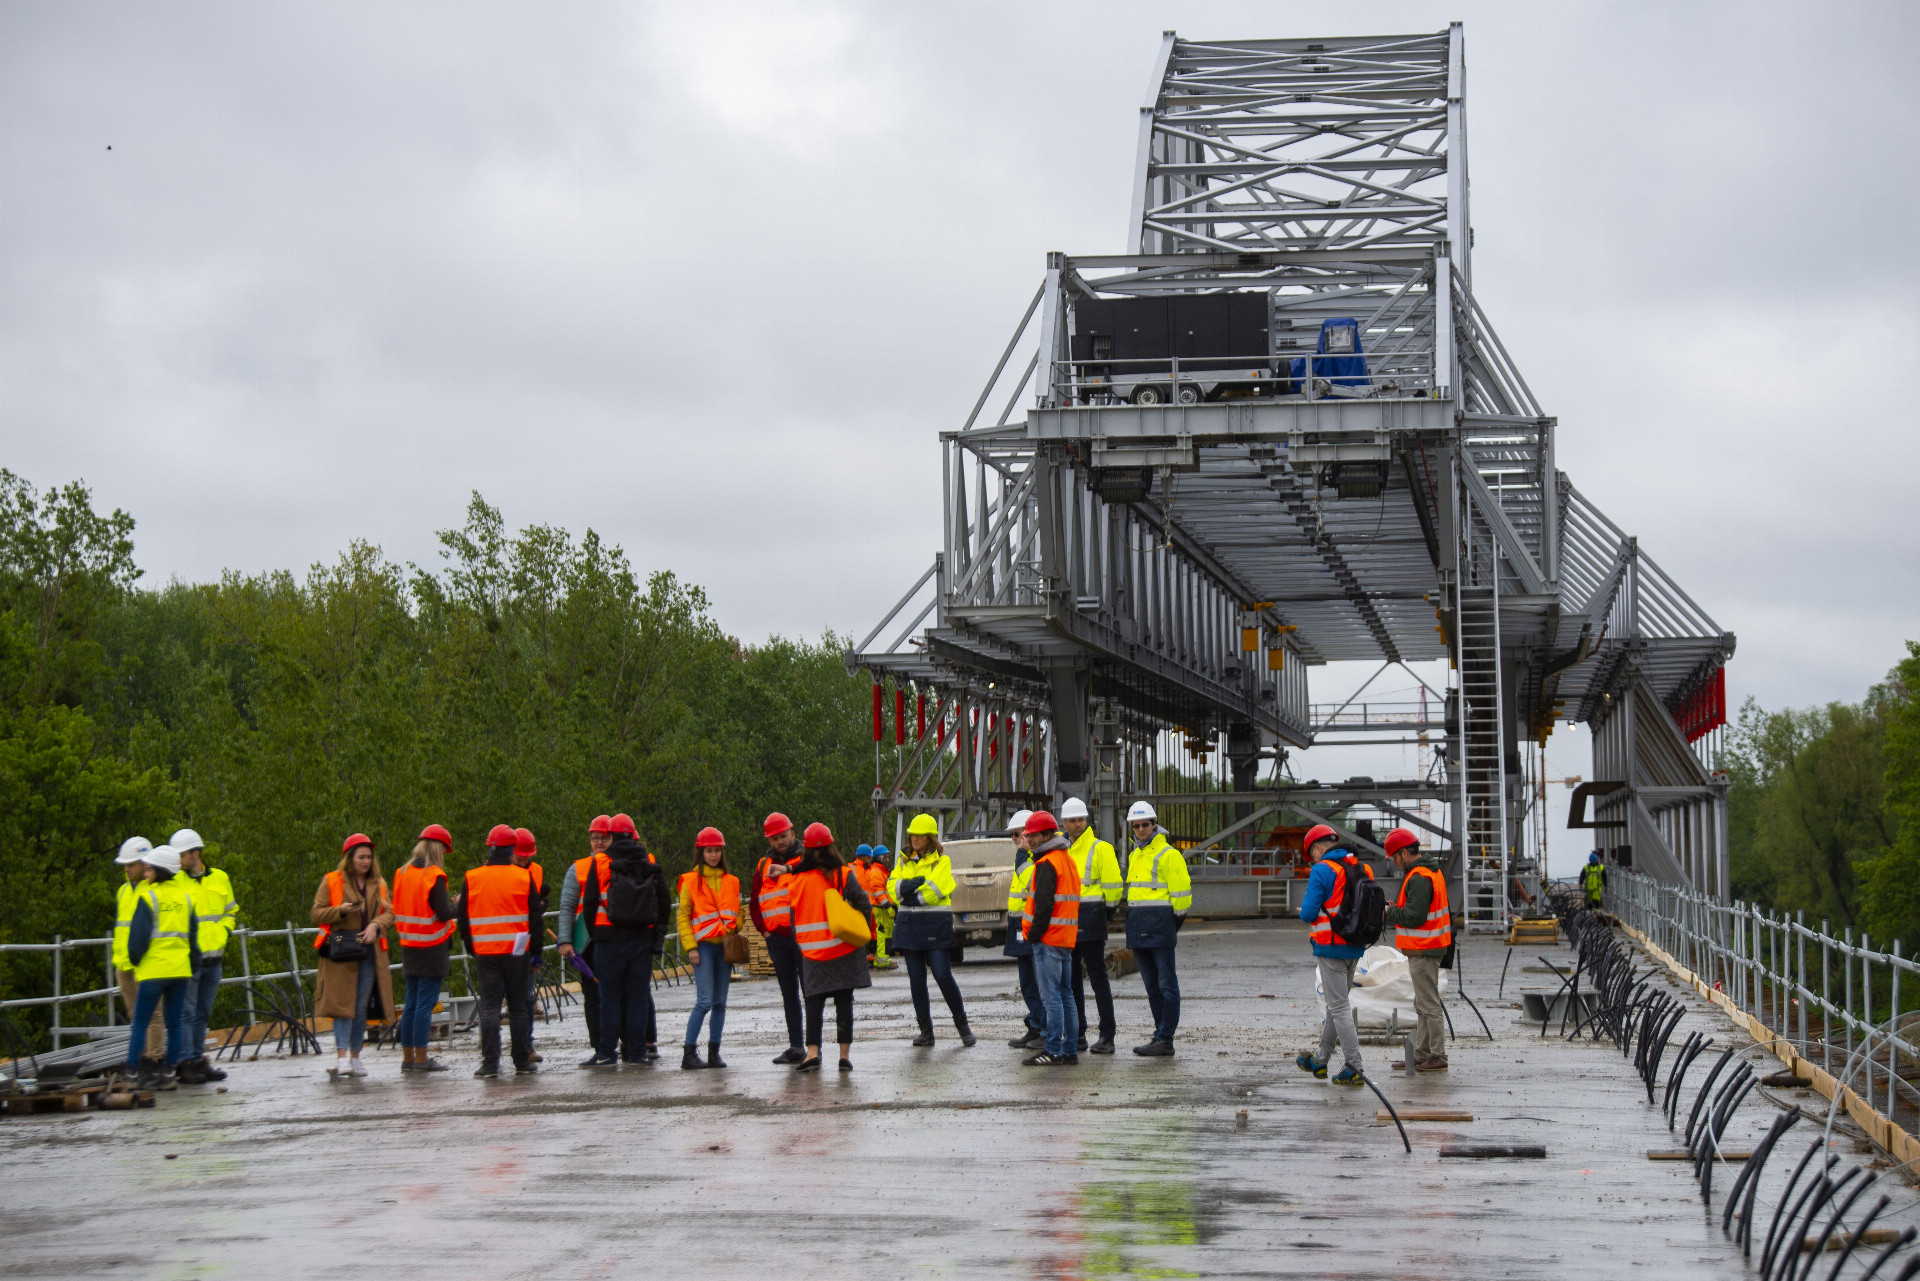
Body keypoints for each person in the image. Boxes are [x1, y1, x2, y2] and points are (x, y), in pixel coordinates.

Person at [785, 822, 874, 1072]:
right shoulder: (843, 874)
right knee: (844, 1002)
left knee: (813, 1001)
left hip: (813, 952)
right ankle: (844, 1057)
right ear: (831, 847)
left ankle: (812, 1053)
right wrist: (860, 933)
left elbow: (793, 918)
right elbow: (864, 905)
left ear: (806, 851)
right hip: (845, 947)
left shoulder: (797, 880)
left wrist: (802, 943)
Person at [458, 827, 545, 1077]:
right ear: (512, 849)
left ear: (490, 848)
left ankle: (490, 1064)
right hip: (517, 953)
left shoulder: (472, 877)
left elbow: (463, 919)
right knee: (518, 1007)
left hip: (485, 953)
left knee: (489, 1007)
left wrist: (473, 947)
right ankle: (522, 1062)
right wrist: (535, 953)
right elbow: (535, 919)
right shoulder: (522, 876)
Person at [579, 825, 667, 1068]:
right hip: (641, 938)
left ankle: (607, 1052)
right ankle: (637, 1052)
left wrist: (595, 934)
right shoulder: (649, 860)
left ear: (611, 836)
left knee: (609, 998)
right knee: (638, 997)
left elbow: (589, 902)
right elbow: (664, 899)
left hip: (608, 940)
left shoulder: (600, 862)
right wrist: (658, 934)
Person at [313, 834, 396, 1079]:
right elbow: (316, 913)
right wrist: (340, 911)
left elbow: (390, 913)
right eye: (361, 857)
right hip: (340, 952)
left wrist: (375, 925)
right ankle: (341, 1059)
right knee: (342, 1006)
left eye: (369, 857)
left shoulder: (378, 882)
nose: (366, 861)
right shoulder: (331, 880)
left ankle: (356, 1057)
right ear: (349, 858)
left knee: (360, 1007)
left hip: (369, 951)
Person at [889, 813, 975, 1048]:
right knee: (916, 980)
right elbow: (891, 888)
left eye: (920, 835)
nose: (915, 838)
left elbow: (934, 892)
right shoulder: (903, 859)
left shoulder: (942, 862)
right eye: (912, 834)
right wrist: (911, 886)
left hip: (935, 926)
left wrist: (907, 892)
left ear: (930, 837)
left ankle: (963, 1026)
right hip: (909, 927)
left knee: (942, 974)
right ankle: (926, 1032)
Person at [1295, 823, 1369, 1087]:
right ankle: (1321, 1059)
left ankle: (1354, 1066)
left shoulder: (1322, 870)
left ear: (1317, 848)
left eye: (1311, 854)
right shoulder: (1362, 868)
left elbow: (1308, 913)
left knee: (1339, 1008)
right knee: (1336, 1006)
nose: (1313, 859)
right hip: (1356, 946)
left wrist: (1303, 909)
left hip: (1330, 947)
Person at [122, 844, 199, 1090]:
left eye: (149, 868)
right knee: (174, 1023)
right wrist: (191, 967)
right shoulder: (185, 899)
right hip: (180, 971)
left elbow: (137, 939)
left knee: (141, 1022)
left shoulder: (148, 897)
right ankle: (168, 1074)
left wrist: (135, 961)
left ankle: (132, 1072)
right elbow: (194, 940)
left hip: (154, 972)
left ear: (159, 870)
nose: (146, 871)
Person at [1122, 801, 1191, 1057]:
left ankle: (1165, 1038)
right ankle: (1160, 1035)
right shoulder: (1134, 855)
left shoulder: (1169, 854)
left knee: (1166, 985)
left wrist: (1171, 926)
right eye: (1136, 825)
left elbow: (1182, 897)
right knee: (1152, 987)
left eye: (1145, 825)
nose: (1141, 829)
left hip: (1160, 927)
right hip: (1139, 927)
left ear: (1154, 824)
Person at [1381, 828, 1451, 1073]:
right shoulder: (1426, 872)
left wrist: (1390, 912)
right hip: (1427, 946)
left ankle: (1437, 1054)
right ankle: (1422, 1054)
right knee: (1422, 1002)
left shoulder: (1419, 876)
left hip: (1425, 947)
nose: (1395, 863)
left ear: (1403, 852)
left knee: (1428, 1004)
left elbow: (1414, 915)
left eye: (1394, 857)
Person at [393, 823, 459, 1073]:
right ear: (438, 848)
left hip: (409, 946)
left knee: (411, 1002)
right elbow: (443, 912)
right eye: (444, 849)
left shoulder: (402, 872)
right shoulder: (434, 875)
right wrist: (461, 905)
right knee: (424, 1004)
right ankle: (422, 1058)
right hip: (432, 947)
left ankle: (408, 1058)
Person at [171, 828, 234, 1084]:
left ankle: (197, 1060)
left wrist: (226, 931)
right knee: (186, 1013)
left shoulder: (220, 878)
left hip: (214, 959)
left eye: (181, 855)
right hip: (189, 961)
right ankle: (186, 1063)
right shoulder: (176, 882)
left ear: (195, 853)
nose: (178, 860)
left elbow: (231, 910)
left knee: (203, 1013)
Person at [1060, 797, 1122, 1055]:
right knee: (1071, 979)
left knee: (1097, 978)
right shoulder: (1061, 850)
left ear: (1087, 820)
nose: (1077, 824)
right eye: (1072, 820)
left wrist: (1105, 914)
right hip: (1067, 920)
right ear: (1064, 822)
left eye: (1081, 819)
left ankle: (1107, 1035)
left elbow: (1114, 887)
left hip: (1091, 918)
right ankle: (1077, 1034)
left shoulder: (1101, 849)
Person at [1019, 811, 1081, 1066]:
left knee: (1051, 998)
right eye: (1027, 835)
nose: (1028, 839)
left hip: (1048, 939)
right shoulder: (1067, 859)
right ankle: (1069, 1051)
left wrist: (1033, 935)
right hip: (1065, 939)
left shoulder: (1047, 863)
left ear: (1047, 835)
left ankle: (1053, 1049)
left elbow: (1043, 905)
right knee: (1066, 995)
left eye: (1032, 835)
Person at [677, 826, 740, 1069]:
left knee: (720, 1003)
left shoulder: (731, 881)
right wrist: (690, 947)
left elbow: (738, 910)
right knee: (704, 1002)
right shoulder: (690, 881)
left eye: (717, 851)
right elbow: (683, 916)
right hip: (703, 948)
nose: (713, 855)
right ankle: (689, 1053)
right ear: (700, 853)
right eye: (709, 851)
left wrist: (736, 924)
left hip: (725, 948)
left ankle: (714, 1053)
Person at [751, 813, 808, 1064]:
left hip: (804, 938)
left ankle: (814, 1047)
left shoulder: (806, 859)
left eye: (783, 836)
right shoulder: (763, 865)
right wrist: (765, 932)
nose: (780, 842)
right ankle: (797, 1047)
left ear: (793, 834)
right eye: (774, 838)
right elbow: (754, 902)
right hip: (777, 939)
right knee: (789, 994)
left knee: (811, 993)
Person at [557, 814, 616, 1054]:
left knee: (614, 994)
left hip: (613, 939)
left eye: (604, 838)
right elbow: (567, 907)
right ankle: (600, 1046)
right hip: (588, 942)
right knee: (593, 995)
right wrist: (565, 940)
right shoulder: (578, 868)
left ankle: (617, 1041)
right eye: (595, 838)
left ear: (612, 837)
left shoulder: (619, 865)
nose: (599, 843)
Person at [112, 836, 165, 1073]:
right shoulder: (123, 891)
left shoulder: (153, 890)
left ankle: (154, 1060)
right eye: (125, 865)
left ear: (145, 863)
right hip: (124, 964)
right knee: (136, 1016)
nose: (126, 869)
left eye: (130, 864)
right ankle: (142, 1059)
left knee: (153, 1014)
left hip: (146, 964)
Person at [1001, 811, 1046, 1051]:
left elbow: (1032, 883)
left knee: (1039, 982)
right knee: (1027, 982)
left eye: (1021, 835)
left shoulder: (1036, 857)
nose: (1017, 840)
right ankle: (1035, 1025)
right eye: (1014, 836)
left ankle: (1044, 1029)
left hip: (1034, 925)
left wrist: (1022, 854)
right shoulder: (1025, 857)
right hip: (1019, 924)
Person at [511, 826, 546, 1062]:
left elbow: (535, 917)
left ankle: (527, 1046)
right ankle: (489, 1051)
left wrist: (536, 952)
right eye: (520, 854)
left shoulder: (536, 871)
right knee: (496, 1003)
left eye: (528, 855)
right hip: (501, 945)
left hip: (525, 943)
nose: (524, 859)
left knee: (526, 998)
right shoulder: (499, 871)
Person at [864, 845, 894, 970]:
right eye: (885, 857)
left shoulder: (882, 871)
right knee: (882, 935)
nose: (887, 860)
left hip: (883, 908)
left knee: (886, 935)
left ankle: (884, 959)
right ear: (878, 858)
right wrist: (888, 906)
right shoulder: (876, 872)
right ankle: (882, 960)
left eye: (888, 857)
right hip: (881, 908)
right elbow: (878, 892)